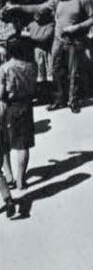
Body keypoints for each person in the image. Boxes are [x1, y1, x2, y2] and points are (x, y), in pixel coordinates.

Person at [12, 0, 93, 113]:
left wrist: (77, 27)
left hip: (75, 41)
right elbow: (40, 7)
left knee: (74, 72)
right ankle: (59, 99)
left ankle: (73, 100)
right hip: (58, 41)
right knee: (56, 70)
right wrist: (18, 7)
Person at [0, 39, 38, 192]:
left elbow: (1, 92)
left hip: (10, 106)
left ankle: (9, 177)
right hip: (27, 106)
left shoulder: (5, 68)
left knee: (5, 144)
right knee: (23, 145)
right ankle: (21, 180)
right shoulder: (31, 66)